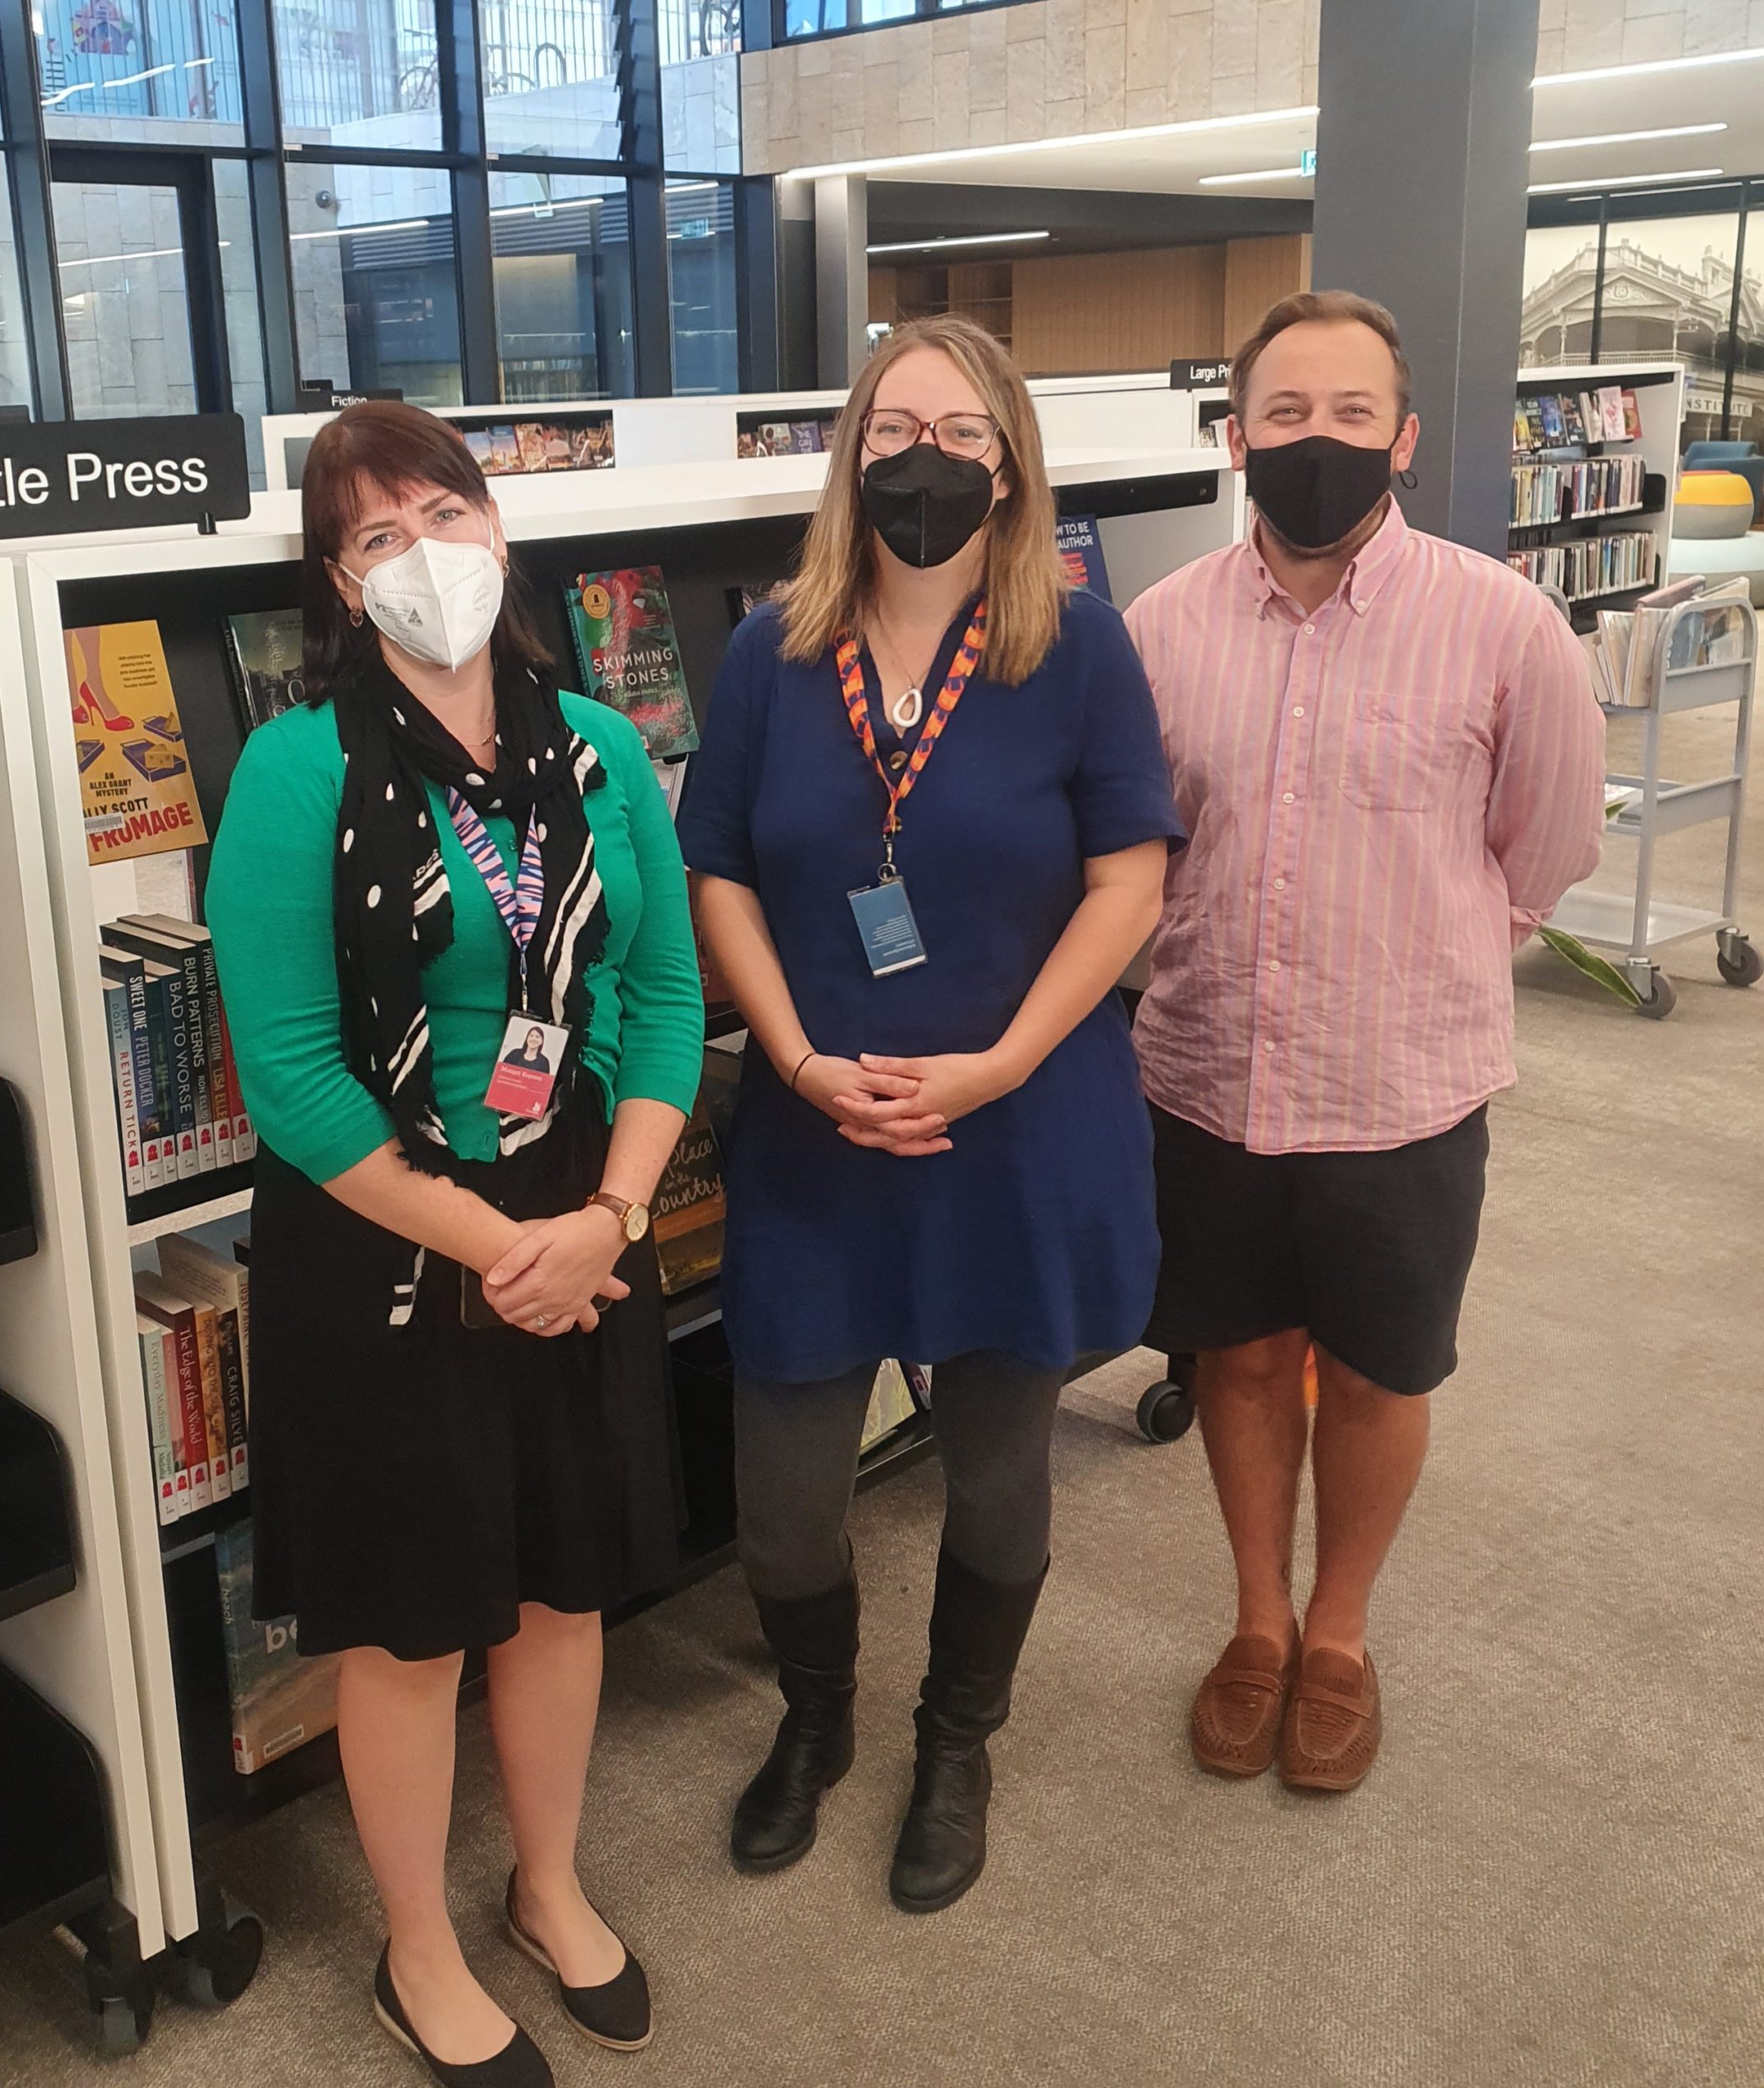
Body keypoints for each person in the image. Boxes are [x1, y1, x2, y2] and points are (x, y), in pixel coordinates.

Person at [206, 402, 705, 2088]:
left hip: (580, 1212)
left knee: (562, 1585)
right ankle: (416, 1942)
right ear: (338, 586)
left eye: (445, 509)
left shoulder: (597, 745)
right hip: (390, 1237)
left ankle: (545, 1880)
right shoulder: (295, 767)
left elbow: (660, 993)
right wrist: (501, 1240)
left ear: (501, 528)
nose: (423, 552)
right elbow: (286, 1074)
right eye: (372, 535)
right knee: (410, 1622)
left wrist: (610, 1217)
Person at [678, 315, 1182, 1914]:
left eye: (962, 432)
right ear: (847, 456)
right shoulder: (769, 652)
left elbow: (1129, 877)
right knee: (778, 1495)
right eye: (894, 427)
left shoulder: (1077, 648)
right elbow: (719, 873)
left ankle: (953, 1738)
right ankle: (814, 1719)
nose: (925, 458)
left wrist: (1002, 1060)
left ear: (1010, 463)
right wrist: (798, 1054)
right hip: (815, 1134)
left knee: (996, 1473)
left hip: (1008, 1130)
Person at [1123, 290, 1606, 1794]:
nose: (1314, 442)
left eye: (1347, 416)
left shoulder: (1505, 625)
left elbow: (1543, 853)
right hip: (1207, 1071)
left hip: (1402, 1086)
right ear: (1237, 436)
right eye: (1284, 415)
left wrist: (1419, 953)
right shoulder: (1160, 628)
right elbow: (1141, 852)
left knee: (1385, 1374)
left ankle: (1339, 1634)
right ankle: (1257, 1621)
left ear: (1401, 435)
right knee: (1244, 1361)